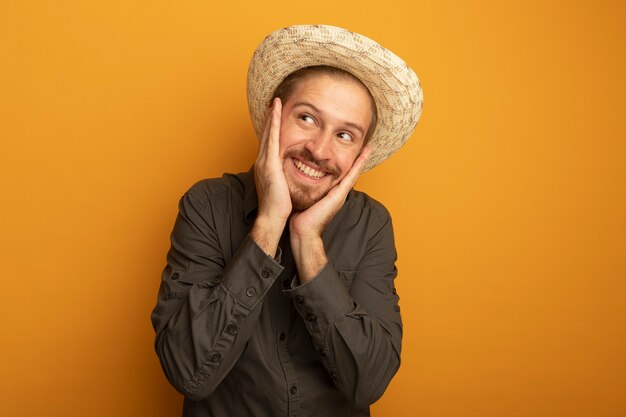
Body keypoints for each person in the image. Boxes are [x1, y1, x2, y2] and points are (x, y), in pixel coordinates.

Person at [151, 24, 423, 417]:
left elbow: (369, 382)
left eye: (345, 135)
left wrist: (307, 240)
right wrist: (268, 223)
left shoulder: (371, 224)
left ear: (360, 154)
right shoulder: (206, 205)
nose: (319, 150)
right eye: (308, 118)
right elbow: (188, 373)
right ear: (272, 118)